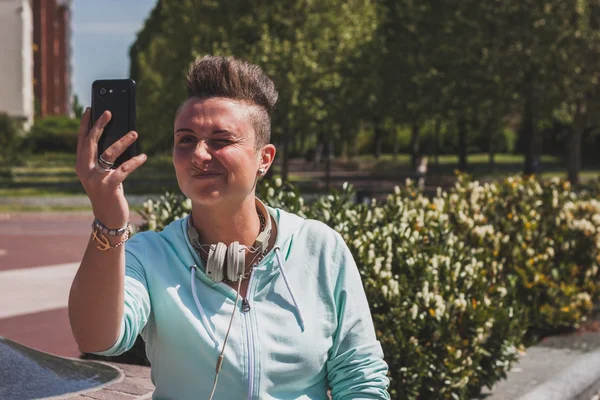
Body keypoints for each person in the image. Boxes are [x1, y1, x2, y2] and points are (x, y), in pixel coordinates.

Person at [69, 55, 390, 400]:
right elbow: (96, 338)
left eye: (220, 140)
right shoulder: (149, 255)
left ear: (263, 159)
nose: (199, 154)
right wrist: (110, 222)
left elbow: (361, 381)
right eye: (186, 139)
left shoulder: (320, 247)